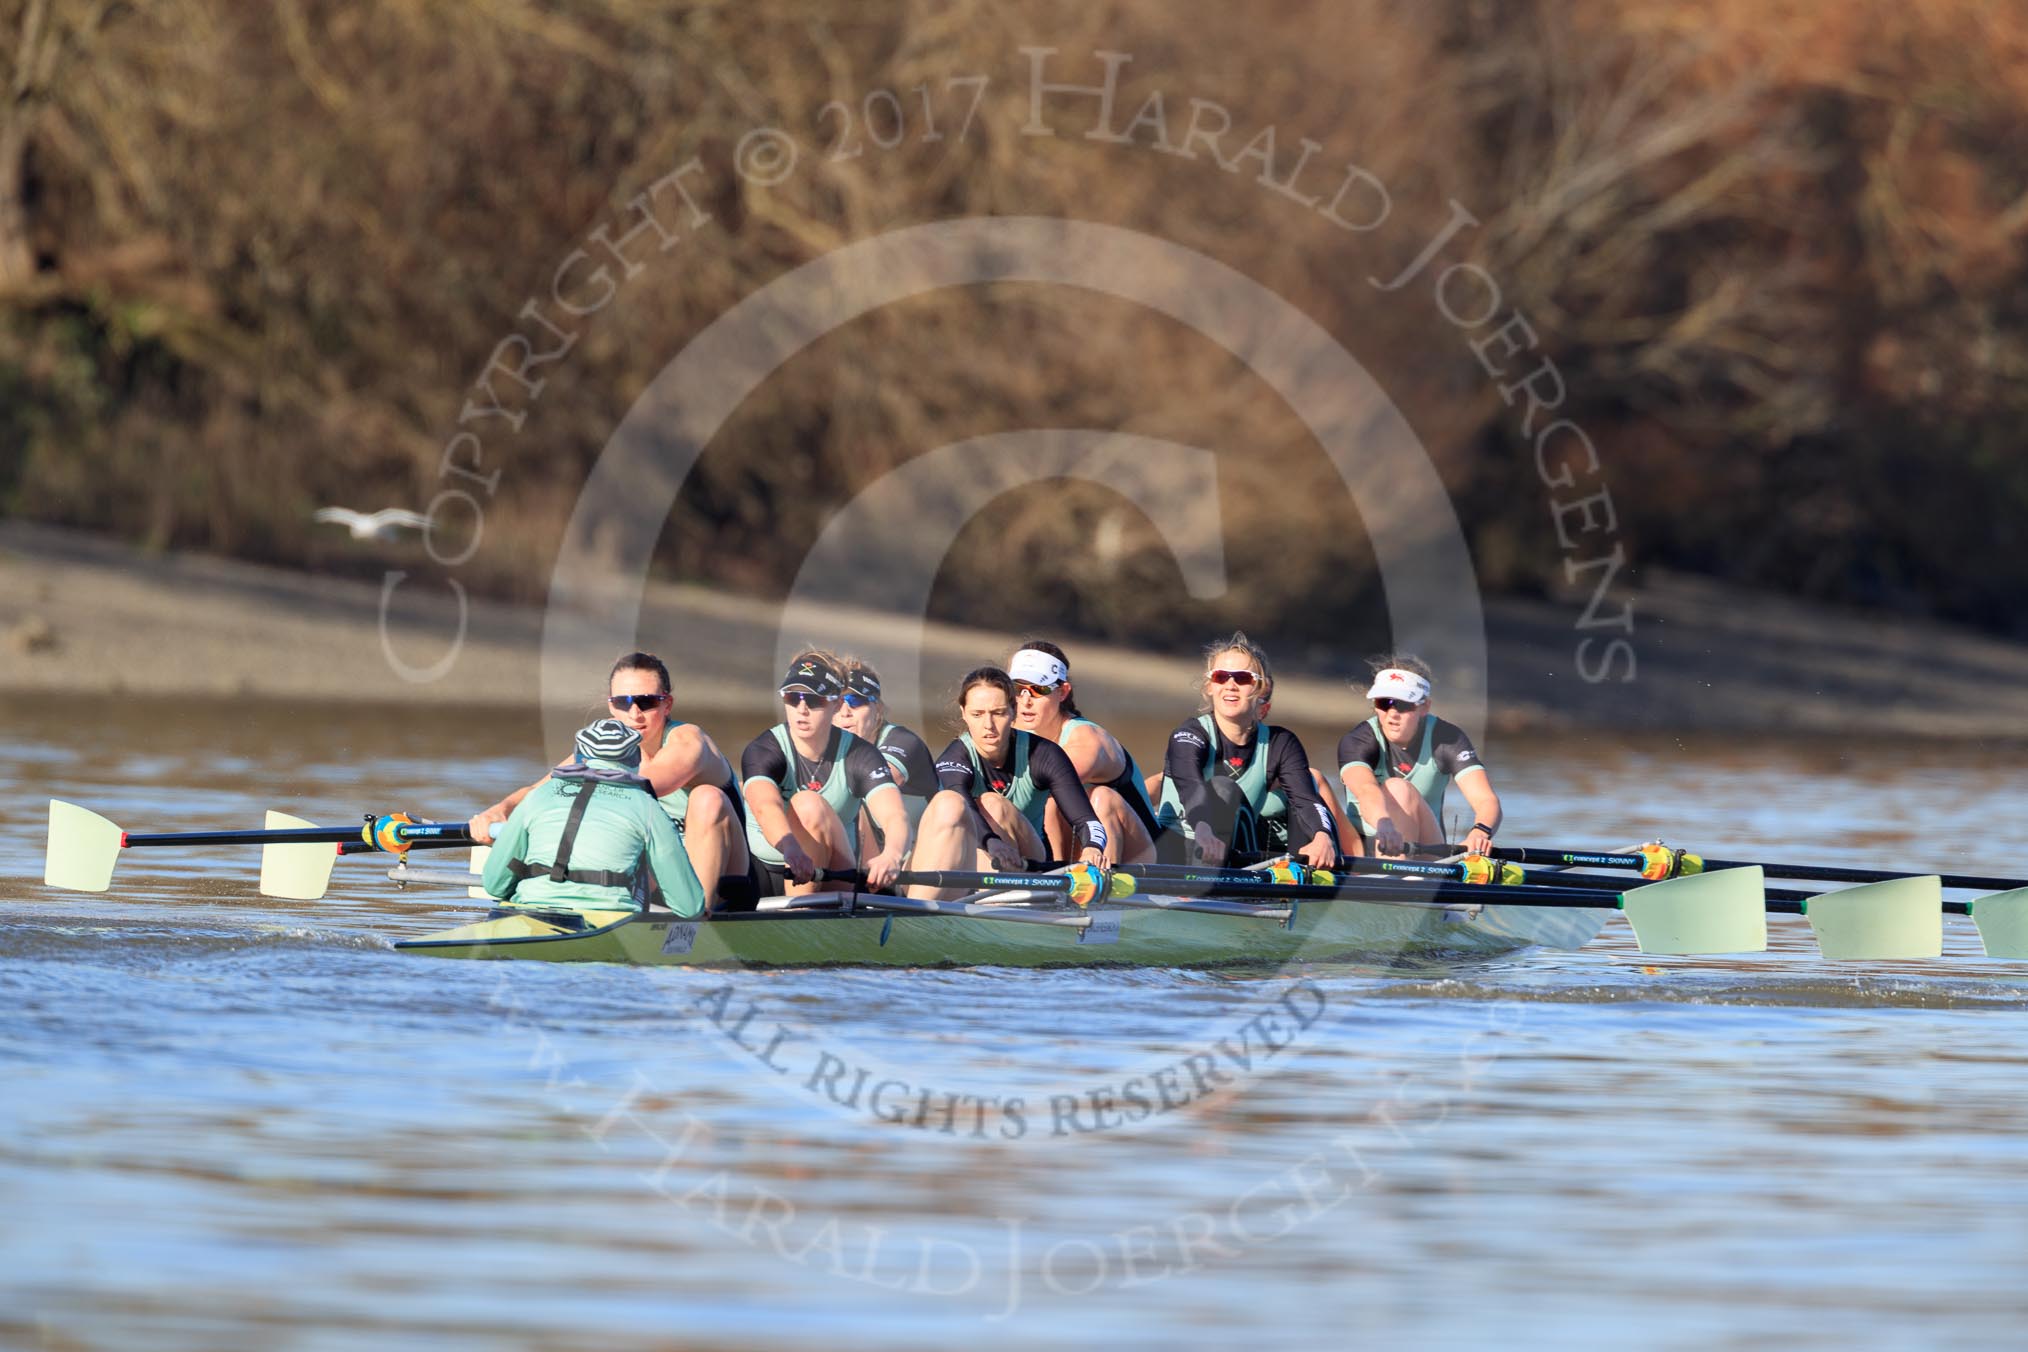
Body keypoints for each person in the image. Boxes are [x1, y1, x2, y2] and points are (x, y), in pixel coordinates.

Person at [468, 652, 751, 910]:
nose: (634, 714)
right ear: (611, 707)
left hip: (727, 880)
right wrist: (502, 810)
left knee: (706, 798)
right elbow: (546, 789)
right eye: (623, 702)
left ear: (667, 704)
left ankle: (700, 921)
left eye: (647, 702)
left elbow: (642, 786)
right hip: (659, 870)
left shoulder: (689, 741)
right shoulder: (608, 750)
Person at [909, 666, 1110, 900]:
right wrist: (991, 842)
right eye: (978, 714)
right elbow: (960, 800)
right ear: (963, 713)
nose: (988, 726)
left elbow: (1088, 821)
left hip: (1027, 860)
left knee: (991, 802)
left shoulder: (1044, 755)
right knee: (947, 802)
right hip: (976, 857)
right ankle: (921, 913)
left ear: (1014, 711)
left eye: (998, 713)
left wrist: (1092, 848)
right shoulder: (953, 760)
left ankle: (974, 909)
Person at [480, 719, 706, 917]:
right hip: (610, 920)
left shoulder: (537, 797)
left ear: (578, 756)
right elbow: (690, 906)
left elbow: (493, 885)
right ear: (635, 759)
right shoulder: (648, 808)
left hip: (529, 910)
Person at [1154, 633, 1339, 869]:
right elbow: (1189, 783)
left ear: (1262, 688)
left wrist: (1322, 835)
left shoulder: (1281, 743)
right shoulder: (1188, 735)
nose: (1230, 685)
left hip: (1234, 854)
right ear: (1210, 687)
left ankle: (1304, 886)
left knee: (1309, 792)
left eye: (1242, 678)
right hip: (1179, 851)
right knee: (1223, 787)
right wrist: (1203, 827)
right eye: (1221, 677)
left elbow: (1306, 800)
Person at [740, 651, 910, 896]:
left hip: (834, 876)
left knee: (808, 803)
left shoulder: (860, 754)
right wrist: (791, 848)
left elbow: (895, 816)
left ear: (837, 704)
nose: (801, 708)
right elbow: (765, 806)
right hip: (767, 873)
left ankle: (801, 919)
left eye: (814, 700)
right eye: (792, 697)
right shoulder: (764, 749)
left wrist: (892, 855)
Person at [1006, 639, 1159, 866]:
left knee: (1091, 798)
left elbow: (1042, 792)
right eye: (1017, 689)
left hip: (1142, 857)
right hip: (1078, 844)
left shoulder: (1087, 740)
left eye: (1038, 689)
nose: (1025, 701)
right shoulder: (1008, 729)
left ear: (1062, 692)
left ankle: (1061, 878)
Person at [1337, 655, 1502, 858]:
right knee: (1316, 781)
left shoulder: (1447, 738)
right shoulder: (1358, 740)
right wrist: (1385, 823)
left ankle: (1400, 879)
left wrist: (1480, 832)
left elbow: (1486, 799)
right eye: (1384, 703)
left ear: (1424, 707)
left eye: (1404, 705)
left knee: (1399, 788)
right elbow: (1365, 789)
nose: (1392, 713)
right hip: (1361, 849)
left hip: (1426, 850)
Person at [833, 657, 938, 860]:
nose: (845, 712)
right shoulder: (831, 748)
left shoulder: (904, 741)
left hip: (921, 858)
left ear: (878, 708)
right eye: (838, 703)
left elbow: (882, 780)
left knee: (853, 798)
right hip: (877, 859)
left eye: (856, 701)